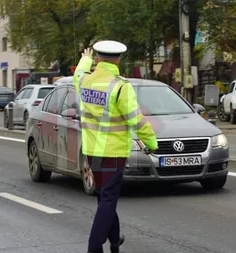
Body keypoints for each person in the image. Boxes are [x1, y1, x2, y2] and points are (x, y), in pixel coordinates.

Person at [73, 40, 159, 253]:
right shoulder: (120, 86)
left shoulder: (85, 81)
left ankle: (114, 240)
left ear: (98, 59)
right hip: (113, 153)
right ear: (119, 59)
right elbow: (136, 121)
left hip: (91, 152)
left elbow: (78, 74)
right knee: (108, 199)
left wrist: (85, 58)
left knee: (104, 195)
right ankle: (94, 247)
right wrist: (151, 142)